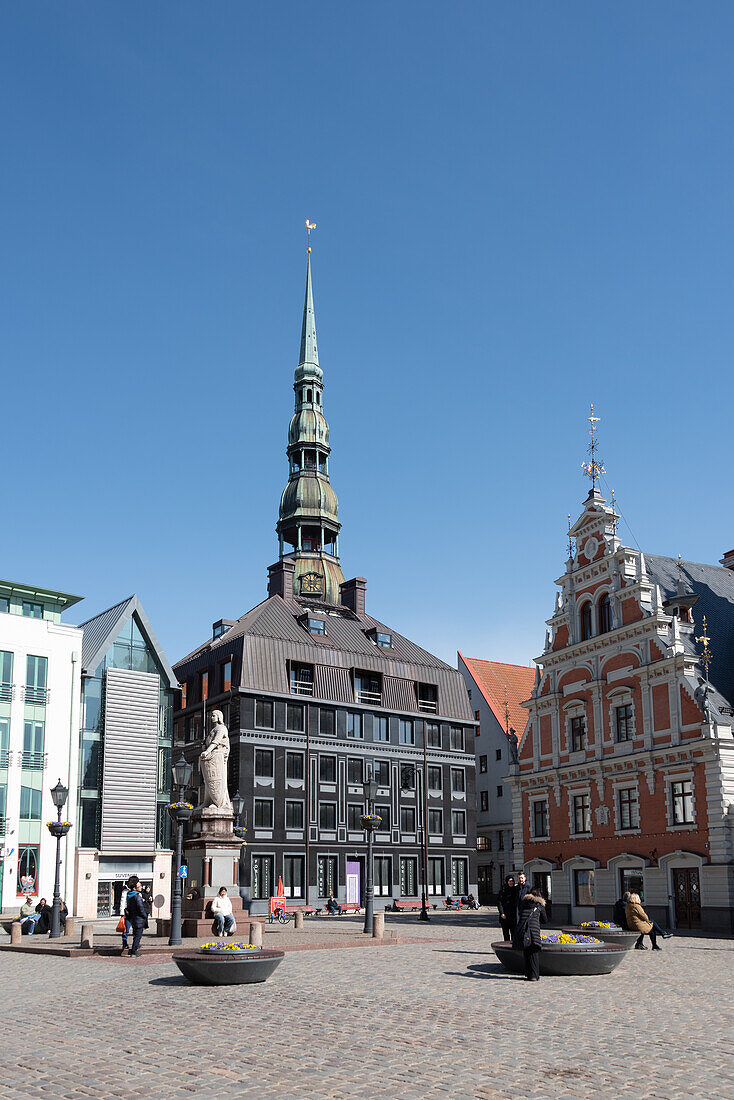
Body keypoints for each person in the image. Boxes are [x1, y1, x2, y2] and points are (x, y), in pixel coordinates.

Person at [513, 888, 548, 980]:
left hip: (524, 931)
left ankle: (528, 974)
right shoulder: (540, 905)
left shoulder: (523, 903)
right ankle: (534, 975)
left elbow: (520, 914)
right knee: (534, 953)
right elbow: (545, 920)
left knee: (527, 952)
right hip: (534, 931)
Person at [123, 877, 148, 957]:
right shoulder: (137, 896)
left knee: (136, 935)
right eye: (139, 886)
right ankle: (134, 952)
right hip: (138, 919)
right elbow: (140, 908)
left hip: (133, 918)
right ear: (135, 888)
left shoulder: (130, 895)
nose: (141, 887)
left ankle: (134, 950)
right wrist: (144, 916)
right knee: (138, 936)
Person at [498, 876, 517, 941]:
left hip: (513, 915)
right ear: (507, 882)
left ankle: (513, 946)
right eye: (509, 881)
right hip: (505, 914)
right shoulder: (503, 890)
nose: (511, 882)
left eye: (512, 881)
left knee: (514, 933)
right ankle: (506, 946)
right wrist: (502, 913)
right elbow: (499, 903)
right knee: (506, 933)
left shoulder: (515, 889)